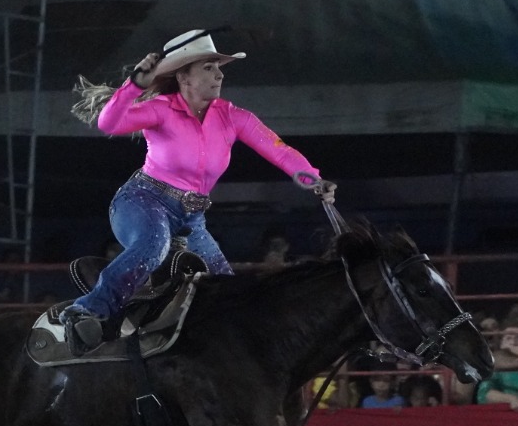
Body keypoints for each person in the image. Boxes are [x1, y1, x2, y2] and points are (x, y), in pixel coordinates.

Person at [62, 30, 337, 355]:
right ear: (184, 76)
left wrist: (312, 179)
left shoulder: (234, 117)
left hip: (191, 218)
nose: (219, 73)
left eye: (219, 67)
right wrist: (134, 85)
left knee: (224, 284)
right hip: (142, 200)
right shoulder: (162, 109)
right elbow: (109, 123)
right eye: (209, 67)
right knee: (154, 244)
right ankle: (88, 309)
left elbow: (279, 150)